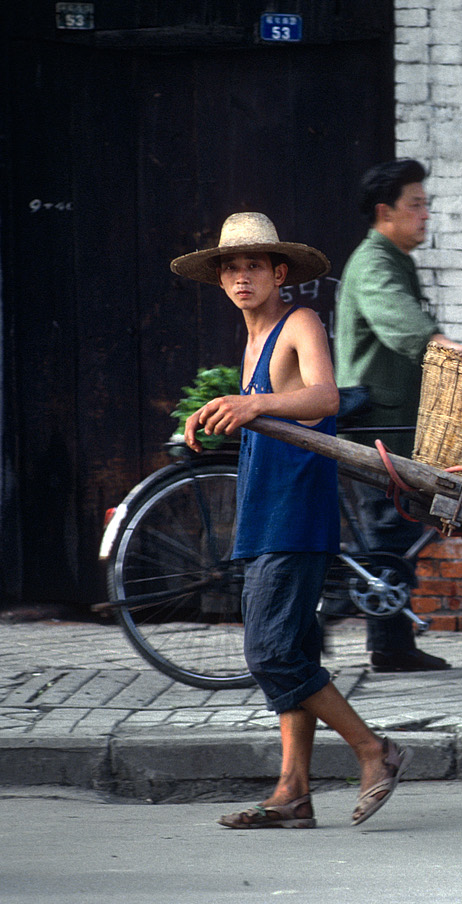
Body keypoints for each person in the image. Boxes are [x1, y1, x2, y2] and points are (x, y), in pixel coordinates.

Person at [173, 211, 410, 828]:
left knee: (271, 652)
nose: (241, 276)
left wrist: (251, 404)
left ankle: (374, 751)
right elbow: (264, 409)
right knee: (296, 645)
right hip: (263, 506)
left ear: (280, 272)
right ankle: (293, 792)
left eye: (253, 265)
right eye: (231, 267)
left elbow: (323, 398)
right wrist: (218, 410)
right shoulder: (250, 339)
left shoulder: (298, 321)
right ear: (220, 279)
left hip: (294, 510)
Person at [334, 158, 462, 671]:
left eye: (425, 205)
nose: (425, 216)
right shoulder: (376, 260)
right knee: (388, 524)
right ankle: (387, 643)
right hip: (381, 419)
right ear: (385, 213)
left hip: (397, 416)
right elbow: (394, 313)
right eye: (415, 206)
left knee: (396, 524)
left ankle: (392, 642)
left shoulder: (395, 257)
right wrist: (439, 343)